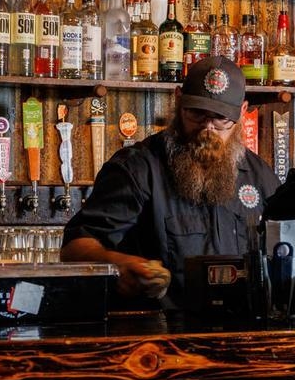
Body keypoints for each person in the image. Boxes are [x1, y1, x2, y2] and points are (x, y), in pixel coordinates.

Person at [61, 56, 280, 308]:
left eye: (220, 118)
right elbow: (74, 249)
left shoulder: (260, 175)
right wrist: (118, 263)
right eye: (196, 113)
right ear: (178, 99)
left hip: (241, 333)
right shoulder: (136, 168)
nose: (207, 128)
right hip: (157, 338)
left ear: (242, 112)